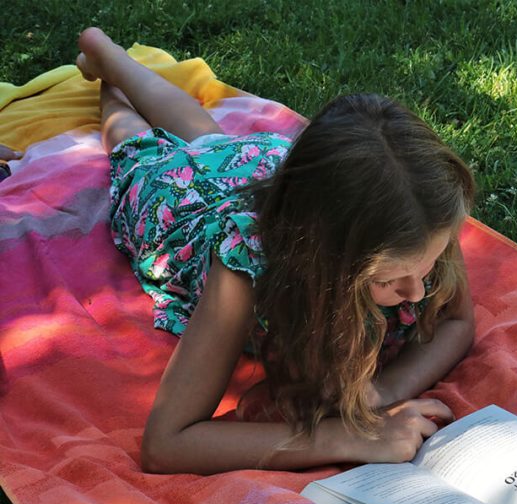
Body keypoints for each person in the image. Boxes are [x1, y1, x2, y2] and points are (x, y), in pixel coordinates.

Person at [76, 27, 476, 475]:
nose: (418, 293)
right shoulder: (245, 267)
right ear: (321, 260)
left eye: (428, 266)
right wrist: (347, 435)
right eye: (386, 281)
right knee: (142, 149)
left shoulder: (416, 215)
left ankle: (109, 57)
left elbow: (458, 321)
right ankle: (109, 76)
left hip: (255, 164)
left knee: (211, 139)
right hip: (178, 207)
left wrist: (378, 393)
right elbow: (166, 444)